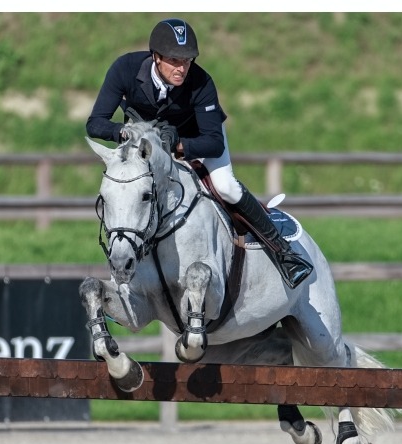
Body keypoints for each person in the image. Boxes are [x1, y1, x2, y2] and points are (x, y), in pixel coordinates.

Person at [86, 18, 313, 288]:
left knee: (226, 186)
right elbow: (95, 124)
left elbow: (214, 142)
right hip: (145, 148)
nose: (182, 68)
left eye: (187, 60)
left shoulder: (201, 82)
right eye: (174, 60)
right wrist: (124, 133)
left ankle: (284, 254)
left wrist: (180, 145)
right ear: (156, 57)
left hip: (197, 139)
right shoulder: (125, 69)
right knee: (129, 191)